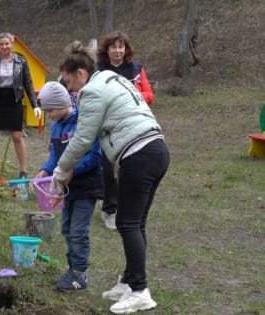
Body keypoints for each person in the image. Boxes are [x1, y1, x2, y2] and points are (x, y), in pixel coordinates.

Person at [52, 41, 169, 314]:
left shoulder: (91, 91)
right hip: (156, 149)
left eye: (70, 83)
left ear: (81, 73)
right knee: (136, 222)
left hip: (138, 154)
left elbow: (82, 138)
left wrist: (60, 170)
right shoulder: (112, 78)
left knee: (128, 223)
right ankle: (129, 281)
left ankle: (140, 290)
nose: (71, 90)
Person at [35, 81, 103, 291]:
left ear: (63, 104)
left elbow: (94, 155)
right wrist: (46, 169)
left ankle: (80, 273)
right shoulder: (56, 127)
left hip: (86, 185)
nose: (49, 115)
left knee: (78, 230)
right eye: (46, 111)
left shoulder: (83, 122)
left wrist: (73, 170)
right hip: (67, 188)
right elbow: (55, 155)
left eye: (51, 110)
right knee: (66, 228)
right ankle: (72, 269)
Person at [97, 31, 155, 230]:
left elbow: (149, 95)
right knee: (107, 170)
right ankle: (109, 209)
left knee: (128, 171)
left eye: (121, 47)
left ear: (126, 49)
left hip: (132, 128)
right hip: (107, 128)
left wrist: (132, 95)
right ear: (107, 49)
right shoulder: (99, 70)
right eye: (113, 47)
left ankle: (123, 208)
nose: (117, 51)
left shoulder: (136, 69)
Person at [0, 32, 41, 178]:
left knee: (17, 136)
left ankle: (24, 171)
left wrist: (35, 105)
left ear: (12, 44)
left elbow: (28, 83)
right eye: (2, 44)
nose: (5, 46)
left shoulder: (21, 61)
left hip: (13, 101)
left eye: (7, 43)